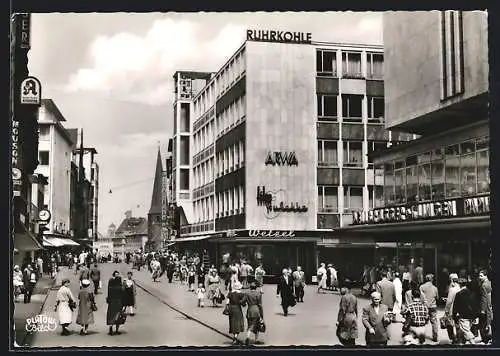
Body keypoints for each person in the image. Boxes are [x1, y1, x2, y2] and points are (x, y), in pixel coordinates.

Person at [452, 278, 479, 345]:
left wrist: (454, 316)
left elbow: (455, 307)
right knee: (465, 330)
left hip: (464, 315)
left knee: (465, 330)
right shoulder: (473, 293)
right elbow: (476, 304)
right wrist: (476, 315)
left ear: (459, 284)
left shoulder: (459, 294)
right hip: (472, 315)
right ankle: (461, 343)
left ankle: (473, 344)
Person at [419, 274, 439, 342]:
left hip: (424, 307)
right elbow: (437, 297)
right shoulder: (435, 288)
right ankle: (435, 336)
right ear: (432, 279)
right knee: (434, 322)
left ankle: (422, 336)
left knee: (423, 322)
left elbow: (420, 297)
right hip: (433, 307)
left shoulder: (422, 287)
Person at [106, 271, 126, 335]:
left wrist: (109, 301)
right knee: (118, 316)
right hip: (118, 302)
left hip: (112, 302)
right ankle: (117, 330)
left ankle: (111, 327)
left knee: (112, 315)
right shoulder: (120, 288)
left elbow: (109, 295)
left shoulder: (111, 288)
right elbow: (123, 296)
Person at [444, 273, 460, 344]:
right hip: (459, 309)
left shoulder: (452, 289)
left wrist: (446, 311)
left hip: (452, 309)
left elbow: (449, 301)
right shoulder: (460, 288)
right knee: (458, 324)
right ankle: (459, 338)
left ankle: (453, 338)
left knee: (449, 324)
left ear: (451, 279)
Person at [478, 270, 492, 344]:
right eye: (479, 276)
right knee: (488, 322)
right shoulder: (489, 283)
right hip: (489, 305)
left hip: (485, 306)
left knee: (482, 324)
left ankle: (484, 339)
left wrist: (482, 309)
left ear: (485, 276)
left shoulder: (483, 285)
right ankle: (489, 338)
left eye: (481, 276)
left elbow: (484, 298)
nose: (479, 277)